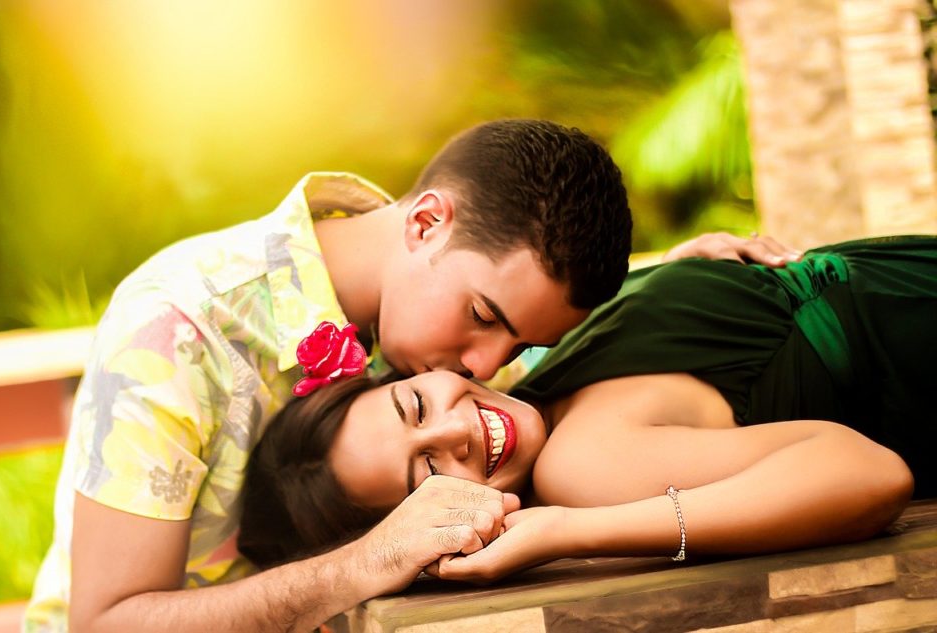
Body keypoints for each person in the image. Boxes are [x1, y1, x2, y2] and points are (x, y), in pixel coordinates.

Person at [24, 118, 642, 633]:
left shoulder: (436, 329)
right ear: (426, 224)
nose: (489, 366)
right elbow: (107, 624)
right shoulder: (180, 329)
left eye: (524, 344)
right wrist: (365, 563)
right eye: (482, 316)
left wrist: (675, 282)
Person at [237, 235, 935, 584]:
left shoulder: (539, 370)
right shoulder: (579, 470)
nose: (458, 430)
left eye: (415, 404)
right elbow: (872, 475)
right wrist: (564, 532)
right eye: (426, 472)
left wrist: (669, 266)